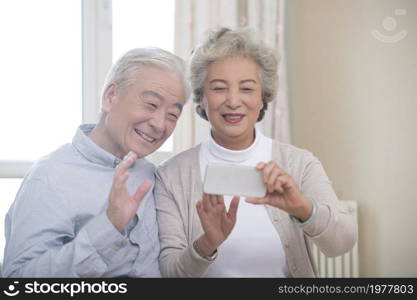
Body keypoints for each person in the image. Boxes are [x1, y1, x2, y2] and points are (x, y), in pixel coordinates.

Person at [154, 28, 358, 277]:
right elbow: (169, 273)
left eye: (247, 88)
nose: (233, 100)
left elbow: (343, 243)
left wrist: (301, 208)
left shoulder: (299, 163)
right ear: (201, 98)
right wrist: (207, 243)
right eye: (219, 88)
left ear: (263, 97)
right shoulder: (170, 176)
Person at [3, 47, 189, 277]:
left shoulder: (151, 175)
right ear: (110, 96)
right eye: (151, 104)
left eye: (173, 115)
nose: (160, 125)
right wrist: (108, 226)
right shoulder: (51, 174)